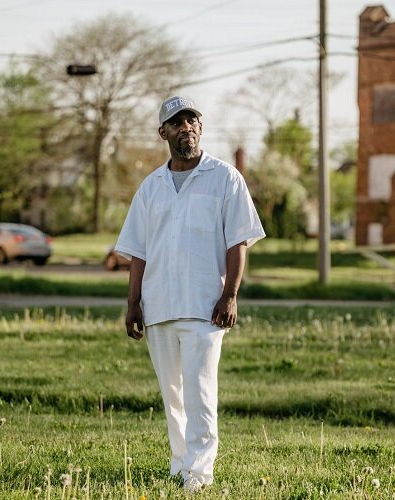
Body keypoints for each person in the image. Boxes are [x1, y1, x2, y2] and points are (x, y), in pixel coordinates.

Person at [114, 96, 265, 493]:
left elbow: (238, 243)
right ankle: (180, 467)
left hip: (205, 308)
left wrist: (229, 296)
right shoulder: (151, 187)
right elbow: (139, 250)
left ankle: (199, 474)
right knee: (173, 397)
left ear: (201, 126)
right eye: (177, 122)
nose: (187, 127)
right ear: (163, 132)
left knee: (200, 393)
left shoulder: (225, 178)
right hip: (159, 306)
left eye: (192, 120)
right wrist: (133, 303)